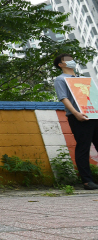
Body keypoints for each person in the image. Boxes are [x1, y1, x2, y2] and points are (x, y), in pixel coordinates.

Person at [53, 53, 98, 190]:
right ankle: (87, 181)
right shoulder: (60, 79)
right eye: (67, 60)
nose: (71, 61)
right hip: (79, 117)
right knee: (83, 148)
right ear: (61, 64)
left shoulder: (83, 79)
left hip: (94, 115)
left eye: (71, 59)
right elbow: (63, 98)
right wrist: (76, 113)